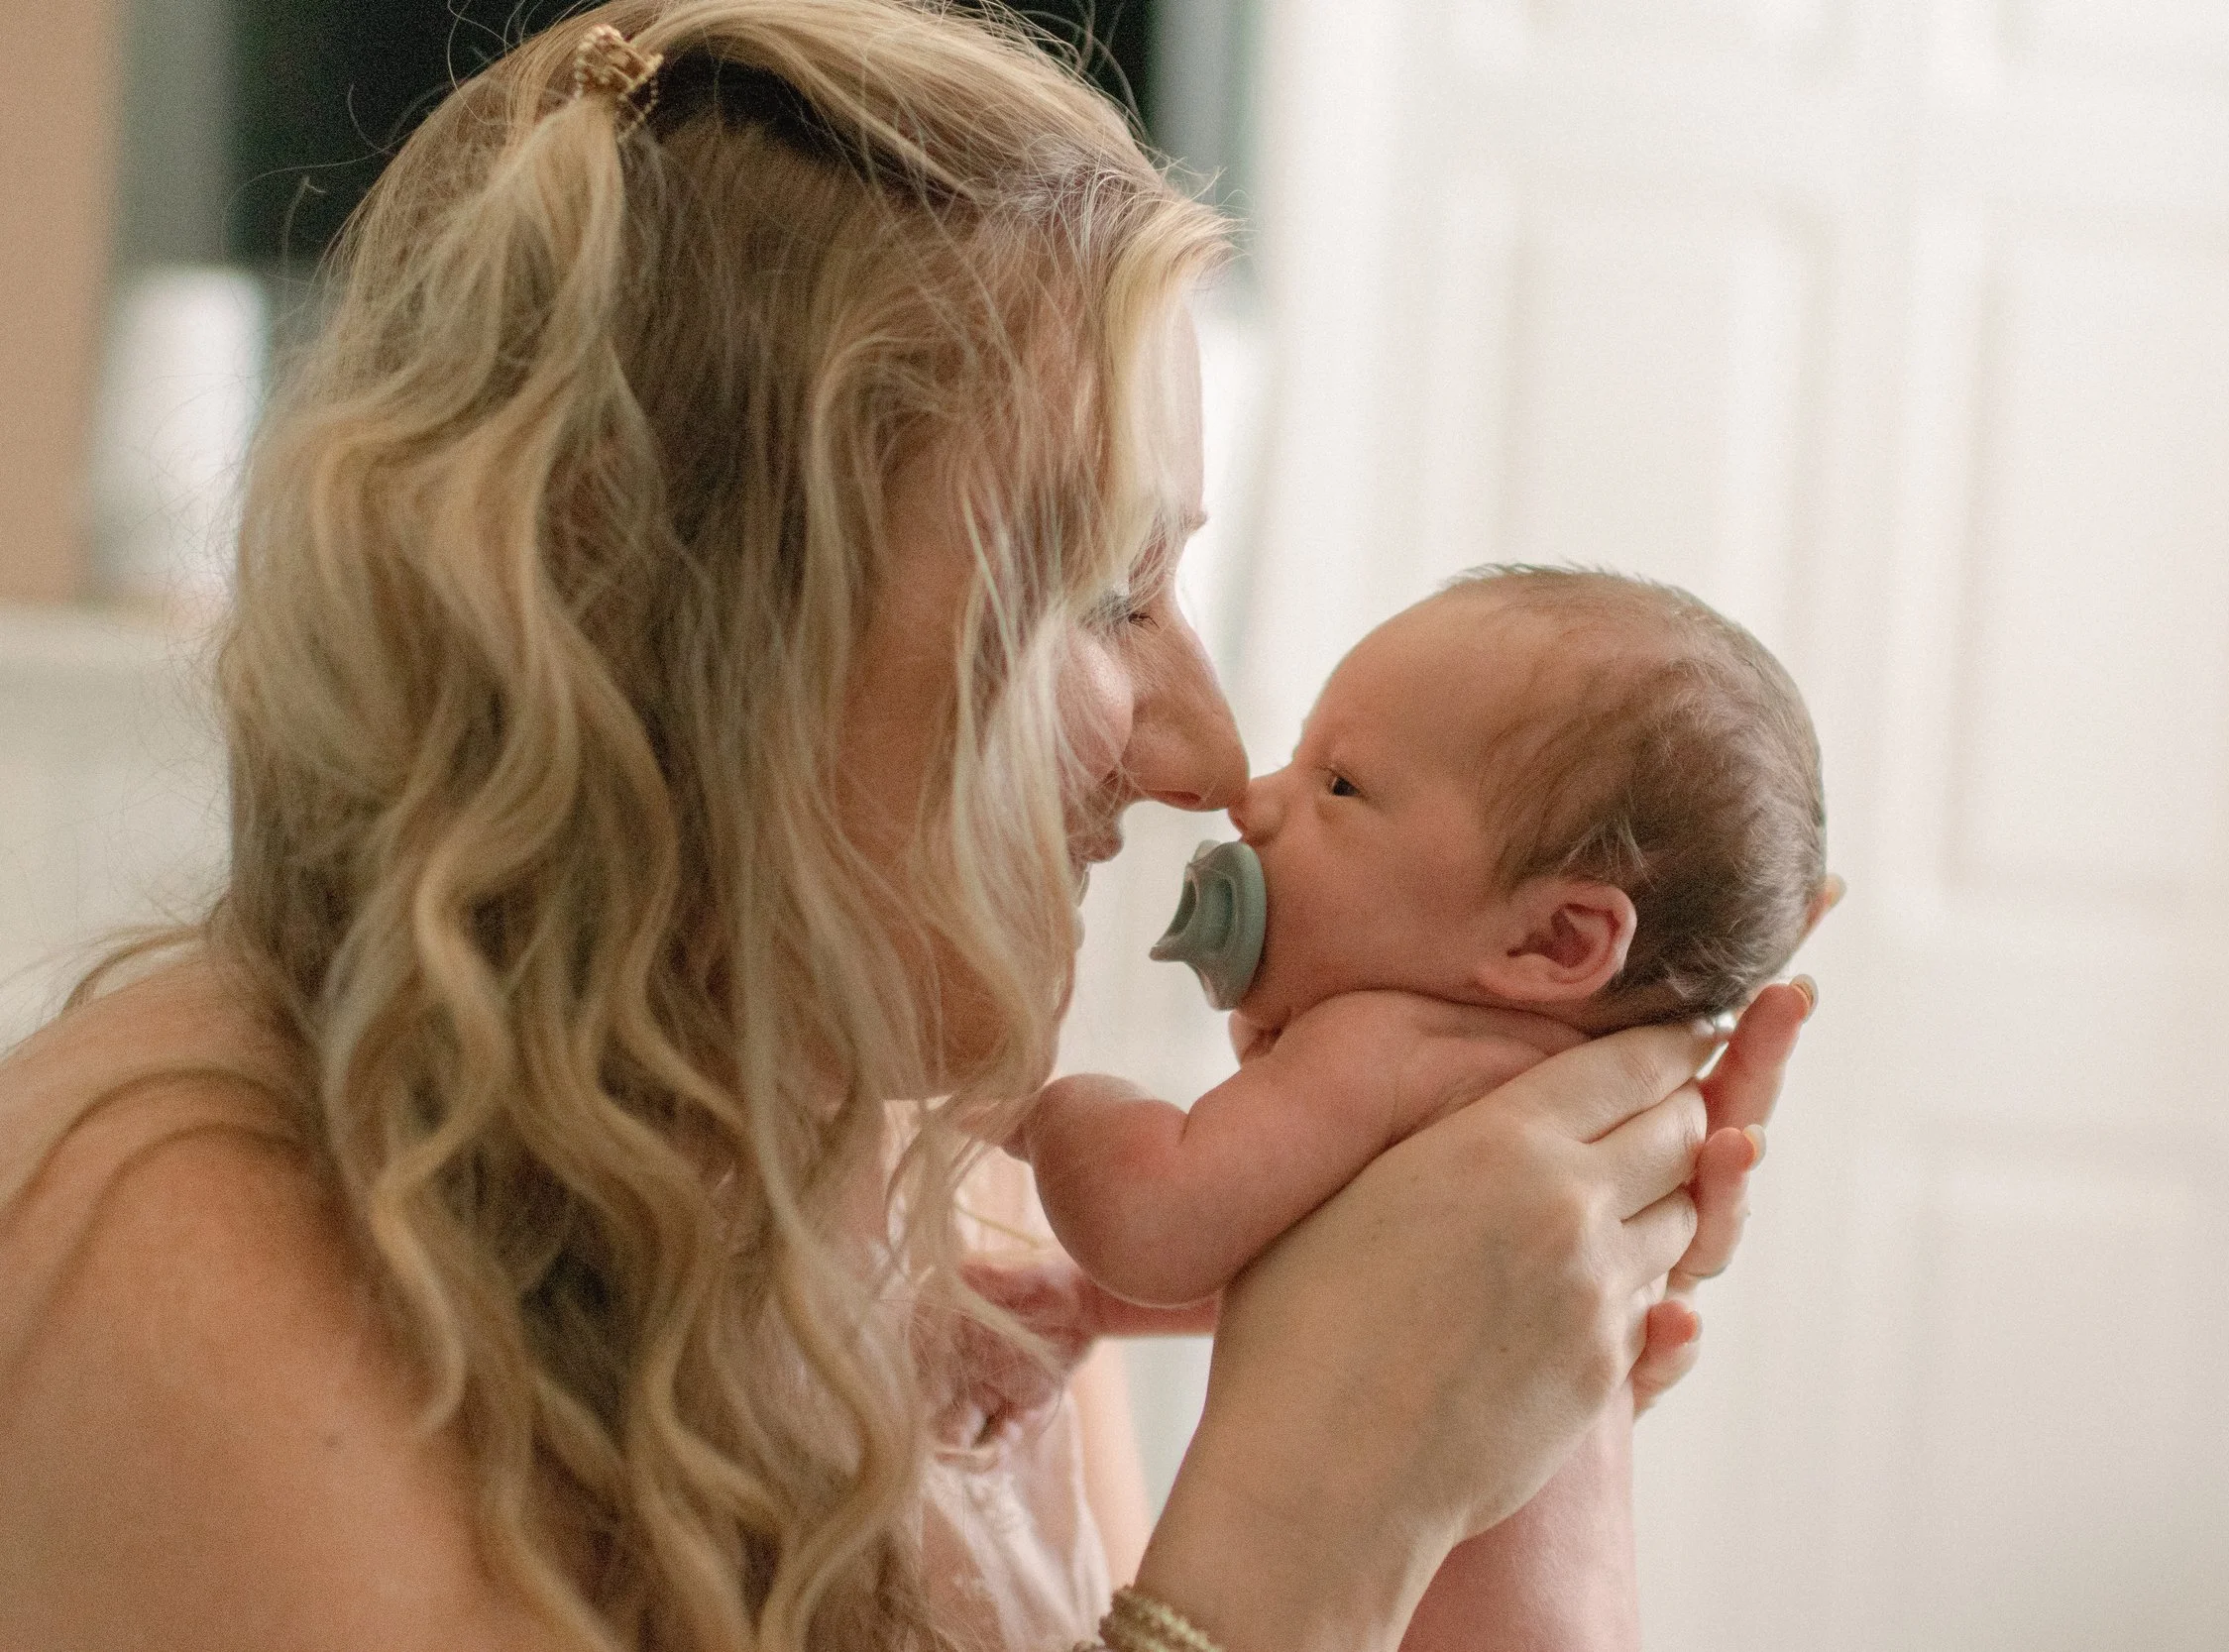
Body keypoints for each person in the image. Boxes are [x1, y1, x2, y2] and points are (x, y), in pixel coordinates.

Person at [0, 5, 1816, 1650]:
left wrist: (1487, 1425)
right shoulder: (173, 1261)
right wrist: (1318, 1519)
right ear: (690, 617)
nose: (1207, 755)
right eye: (1105, 599)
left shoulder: (936, 1183)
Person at [1021, 567, 1833, 1652]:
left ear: (1553, 942)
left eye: (1341, 785)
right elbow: (1347, 1296)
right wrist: (1084, 1310)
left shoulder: (1378, 1052)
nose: (1253, 797)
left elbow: (1149, 1217)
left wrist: (1031, 1103)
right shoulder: (1557, 1126)